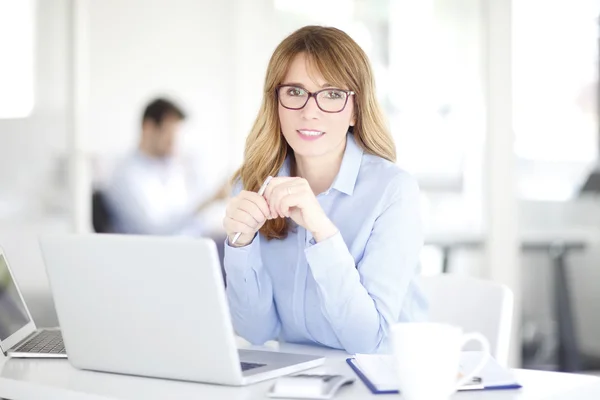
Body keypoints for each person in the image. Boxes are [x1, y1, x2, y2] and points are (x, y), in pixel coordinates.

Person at [223, 26, 426, 354]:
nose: (310, 111)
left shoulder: (394, 192)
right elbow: (256, 331)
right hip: (295, 378)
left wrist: (322, 232)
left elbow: (368, 341)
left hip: (382, 377)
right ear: (275, 101)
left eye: (332, 94)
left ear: (355, 110)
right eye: (294, 92)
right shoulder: (251, 186)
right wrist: (239, 245)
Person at [106, 98, 228, 236]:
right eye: (168, 132)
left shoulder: (171, 168)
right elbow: (156, 229)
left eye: (176, 132)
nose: (174, 140)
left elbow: (191, 221)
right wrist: (209, 201)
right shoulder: (126, 175)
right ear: (148, 128)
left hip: (188, 244)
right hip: (154, 252)